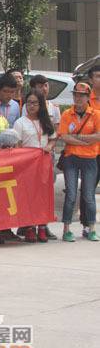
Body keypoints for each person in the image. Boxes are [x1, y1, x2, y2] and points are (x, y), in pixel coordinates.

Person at [13, 90, 57, 243]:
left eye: (35, 103)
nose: (31, 106)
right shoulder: (20, 122)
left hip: (44, 163)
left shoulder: (46, 121)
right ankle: (29, 227)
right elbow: (17, 144)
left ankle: (42, 227)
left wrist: (49, 148)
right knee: (28, 196)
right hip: (27, 165)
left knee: (43, 196)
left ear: (41, 105)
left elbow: (52, 139)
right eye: (29, 103)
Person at [59, 82, 100, 242]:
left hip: (90, 159)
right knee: (71, 194)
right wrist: (86, 140)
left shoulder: (96, 114)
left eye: (82, 95)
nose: (78, 98)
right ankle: (66, 229)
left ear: (88, 96)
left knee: (89, 195)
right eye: (75, 94)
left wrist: (79, 138)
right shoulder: (67, 114)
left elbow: (98, 135)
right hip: (72, 158)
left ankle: (91, 229)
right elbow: (64, 136)